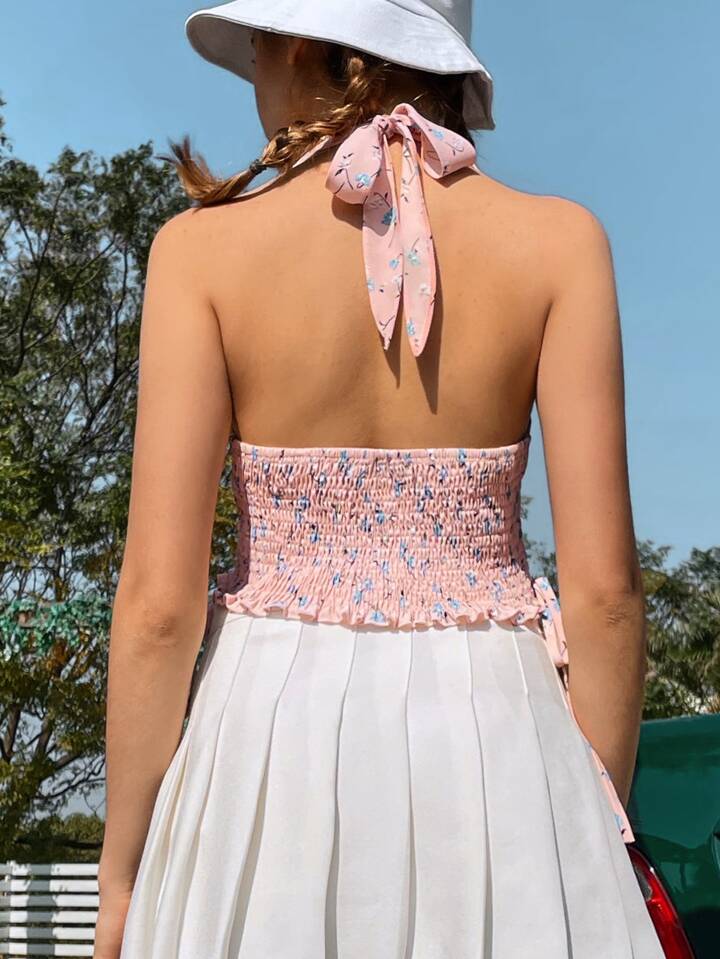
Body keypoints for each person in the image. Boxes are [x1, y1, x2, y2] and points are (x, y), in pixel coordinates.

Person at [95, 1, 665, 956]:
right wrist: (587, 834)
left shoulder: (198, 255)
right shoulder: (562, 245)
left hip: (266, 748)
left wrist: (121, 876)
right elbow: (606, 594)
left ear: (302, 45)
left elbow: (159, 607)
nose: (253, 75)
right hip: (496, 742)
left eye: (258, 46)